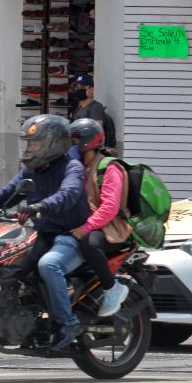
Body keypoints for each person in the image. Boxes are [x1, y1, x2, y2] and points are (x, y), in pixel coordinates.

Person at [0, 114, 89, 350]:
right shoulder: (33, 169)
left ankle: (68, 323)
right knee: (7, 260)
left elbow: (68, 194)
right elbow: (8, 192)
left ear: (54, 143)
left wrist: (41, 205)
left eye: (35, 143)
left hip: (69, 235)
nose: (30, 148)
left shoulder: (72, 168)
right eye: (29, 143)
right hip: (40, 234)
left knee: (48, 265)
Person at [69, 118, 131, 317]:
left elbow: (110, 208)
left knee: (89, 243)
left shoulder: (109, 168)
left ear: (88, 144)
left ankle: (112, 288)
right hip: (91, 224)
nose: (72, 147)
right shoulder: (80, 166)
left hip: (110, 228)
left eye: (76, 142)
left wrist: (86, 227)